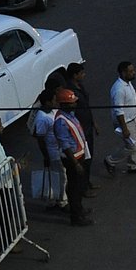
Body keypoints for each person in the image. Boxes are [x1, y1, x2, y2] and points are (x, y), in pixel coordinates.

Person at [53, 87, 92, 225]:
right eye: (72, 102)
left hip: (79, 155)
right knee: (74, 188)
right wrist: (75, 164)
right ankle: (76, 217)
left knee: (78, 185)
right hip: (72, 159)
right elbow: (65, 145)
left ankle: (79, 209)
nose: (75, 104)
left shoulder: (69, 114)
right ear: (64, 104)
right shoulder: (61, 121)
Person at [106, 61, 136, 174]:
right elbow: (118, 111)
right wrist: (124, 128)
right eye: (131, 71)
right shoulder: (119, 89)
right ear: (123, 73)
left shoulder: (127, 83)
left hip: (132, 119)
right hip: (125, 122)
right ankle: (110, 160)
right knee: (131, 146)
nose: (134, 73)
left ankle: (133, 165)